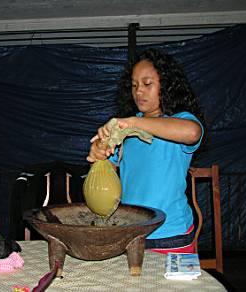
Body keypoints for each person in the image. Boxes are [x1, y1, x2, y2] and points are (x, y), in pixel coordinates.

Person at [87, 48, 204, 254]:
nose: (138, 91)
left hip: (171, 234)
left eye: (147, 84)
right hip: (130, 232)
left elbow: (193, 132)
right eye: (134, 85)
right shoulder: (125, 132)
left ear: (166, 85)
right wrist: (98, 151)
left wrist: (134, 122)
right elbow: (107, 167)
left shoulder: (180, 121)